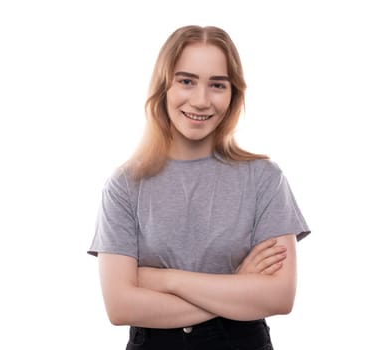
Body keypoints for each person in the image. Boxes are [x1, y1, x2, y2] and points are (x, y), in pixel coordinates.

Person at [88, 25, 310, 350]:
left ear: (233, 93)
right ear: (164, 86)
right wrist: (238, 288)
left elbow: (279, 297)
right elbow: (120, 306)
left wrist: (163, 280)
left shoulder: (264, 178)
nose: (202, 100)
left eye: (217, 85)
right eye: (186, 81)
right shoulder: (125, 185)